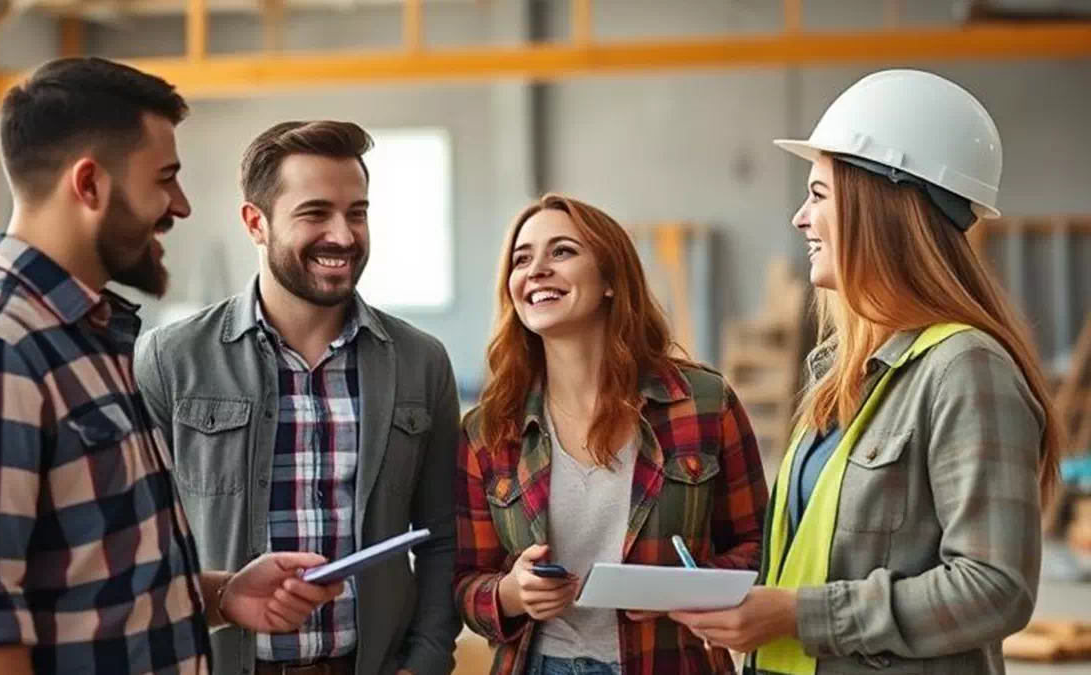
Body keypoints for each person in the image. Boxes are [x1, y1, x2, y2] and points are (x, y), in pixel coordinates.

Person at [0, 57, 341, 675]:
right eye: (165, 179)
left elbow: (92, 583)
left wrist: (225, 593)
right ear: (90, 184)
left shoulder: (85, 338)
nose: (179, 205)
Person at [667, 69, 1063, 675]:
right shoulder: (838, 371)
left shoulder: (965, 369)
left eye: (819, 195)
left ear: (883, 206)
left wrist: (799, 615)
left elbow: (994, 587)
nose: (800, 218)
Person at [134, 120, 461, 675]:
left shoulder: (420, 362)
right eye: (315, 214)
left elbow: (443, 539)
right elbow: (138, 550)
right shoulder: (168, 360)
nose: (343, 234)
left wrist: (425, 662)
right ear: (255, 223)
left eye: (356, 213)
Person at [454, 193, 770, 675]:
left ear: (608, 280)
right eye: (522, 259)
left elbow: (760, 549)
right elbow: (461, 581)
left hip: (669, 664)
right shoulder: (489, 430)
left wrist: (682, 589)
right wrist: (510, 594)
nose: (536, 269)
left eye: (561, 251)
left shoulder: (704, 403)